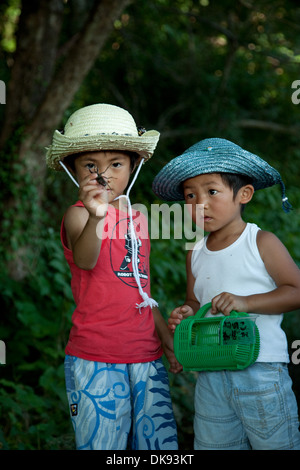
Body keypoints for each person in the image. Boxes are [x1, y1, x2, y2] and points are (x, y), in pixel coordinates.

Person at [46, 103, 181, 450]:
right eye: (91, 165)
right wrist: (96, 218)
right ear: (73, 171)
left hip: (146, 355)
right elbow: (86, 260)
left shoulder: (138, 219)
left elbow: (140, 287)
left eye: (116, 164)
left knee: (156, 447)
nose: (102, 175)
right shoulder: (77, 216)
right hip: (97, 356)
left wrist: (166, 340)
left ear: (133, 166)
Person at [152, 137, 300, 450]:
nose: (199, 203)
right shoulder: (195, 251)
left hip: (260, 371)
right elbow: (196, 301)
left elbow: (296, 291)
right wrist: (187, 313)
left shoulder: (260, 242)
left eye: (212, 191)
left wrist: (245, 302)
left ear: (244, 194)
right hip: (209, 371)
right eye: (190, 195)